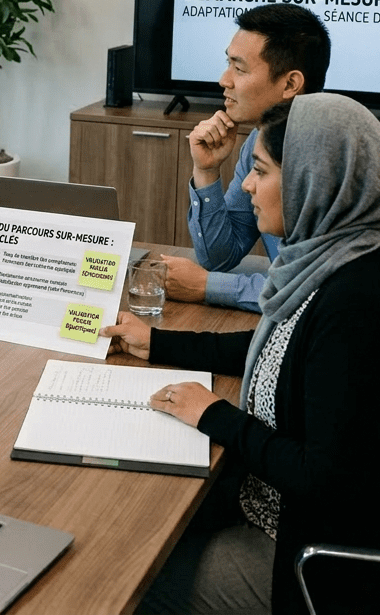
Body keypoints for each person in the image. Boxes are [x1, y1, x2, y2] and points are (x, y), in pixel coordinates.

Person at [102, 93, 380, 615]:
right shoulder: (332, 257)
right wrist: (157, 342)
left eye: (260, 170)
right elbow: (274, 348)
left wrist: (215, 416)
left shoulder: (356, 301)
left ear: (311, 179)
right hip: (272, 513)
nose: (247, 185)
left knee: (125, 580)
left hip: (308, 557)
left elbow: (323, 477)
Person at [163, 3, 330, 312]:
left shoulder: (331, 159)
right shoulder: (259, 138)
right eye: (228, 64)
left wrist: (206, 286)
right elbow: (221, 257)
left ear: (290, 84)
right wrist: (207, 170)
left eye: (239, 69)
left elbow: (312, 290)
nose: (224, 80)